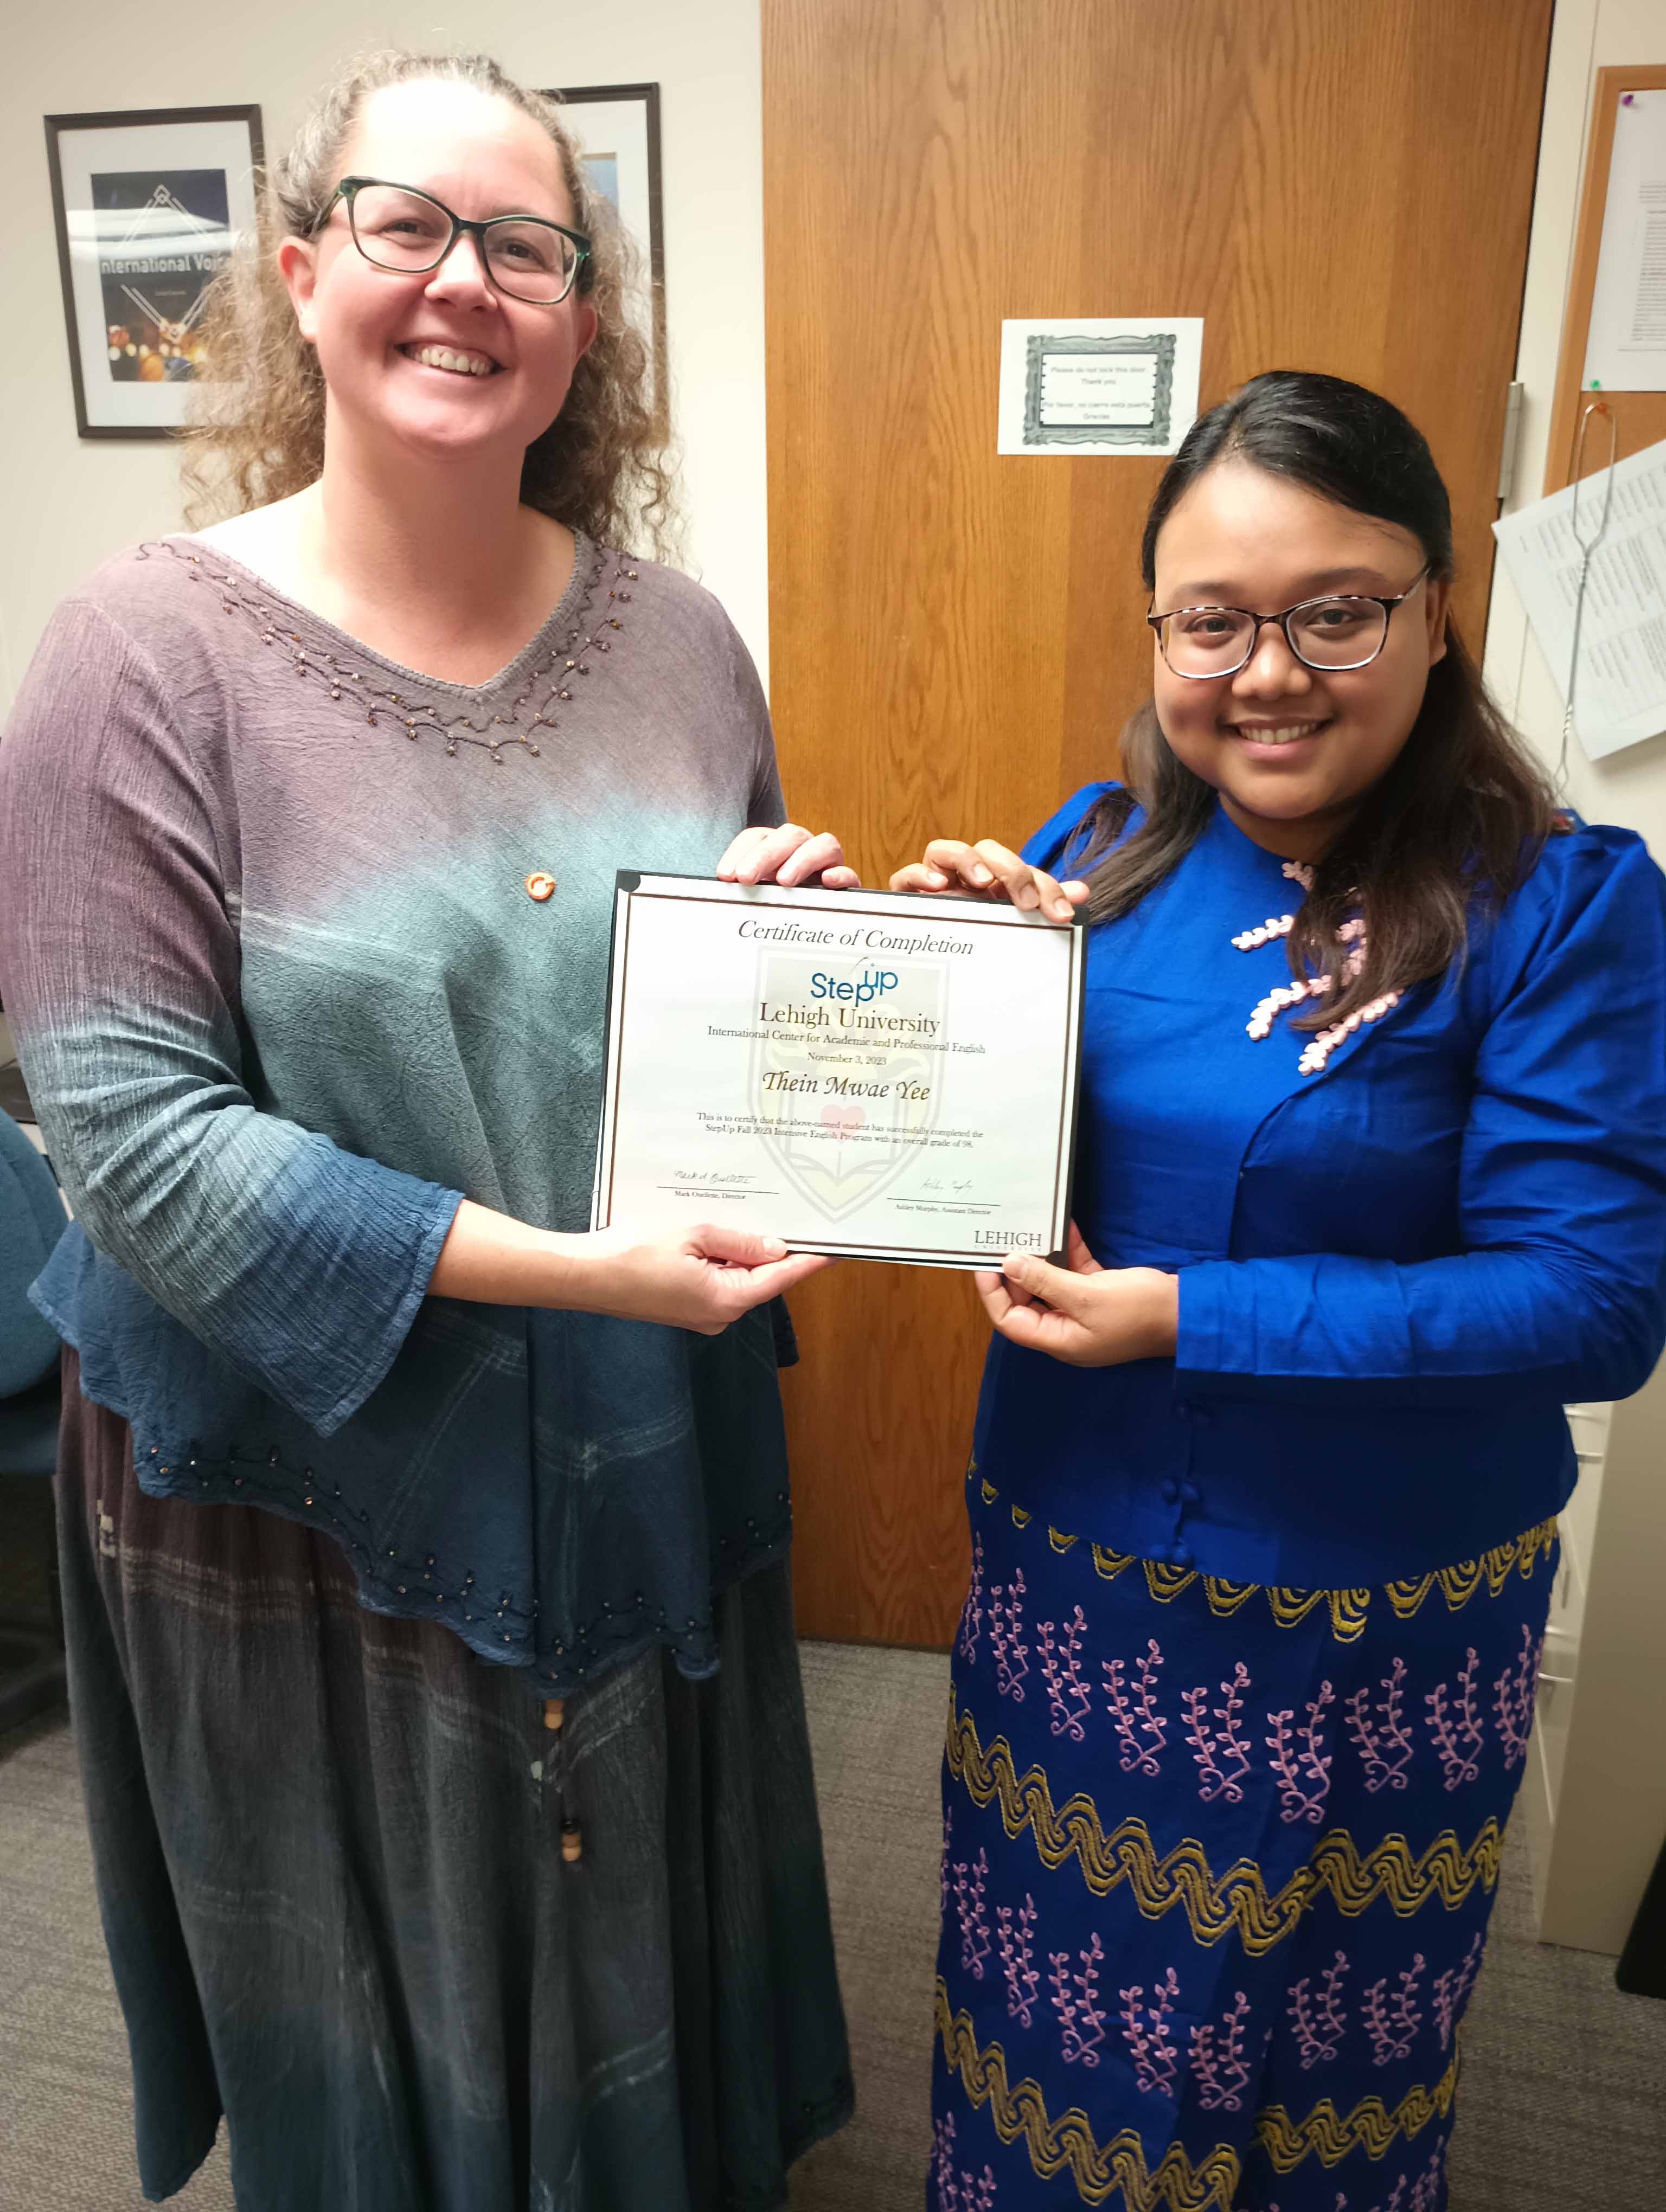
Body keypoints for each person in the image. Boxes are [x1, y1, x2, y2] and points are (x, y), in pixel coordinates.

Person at [0, 51, 857, 2209]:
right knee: (383, 1950)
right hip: (304, 1468)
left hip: (629, 1414)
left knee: (626, 1884)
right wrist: (575, 1275)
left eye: (528, 248)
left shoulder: (680, 642)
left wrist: (777, 941)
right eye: (408, 227)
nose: (464, 283)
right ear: (302, 274)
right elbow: (134, 1143)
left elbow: (698, 1002)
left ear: (584, 324)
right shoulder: (141, 654)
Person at [890, 370, 1666, 2211]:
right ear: (1158, 627)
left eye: (1336, 612)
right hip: (1074, 1589)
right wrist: (897, 973)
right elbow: (981, 1168)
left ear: (1431, 610)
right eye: (1212, 620)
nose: (1269, 671)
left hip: (1368, 1628)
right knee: (1047, 2054)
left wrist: (1192, 1313)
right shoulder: (1097, 856)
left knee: (1303, 2089)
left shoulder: (1552, 903)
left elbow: (1592, 1303)